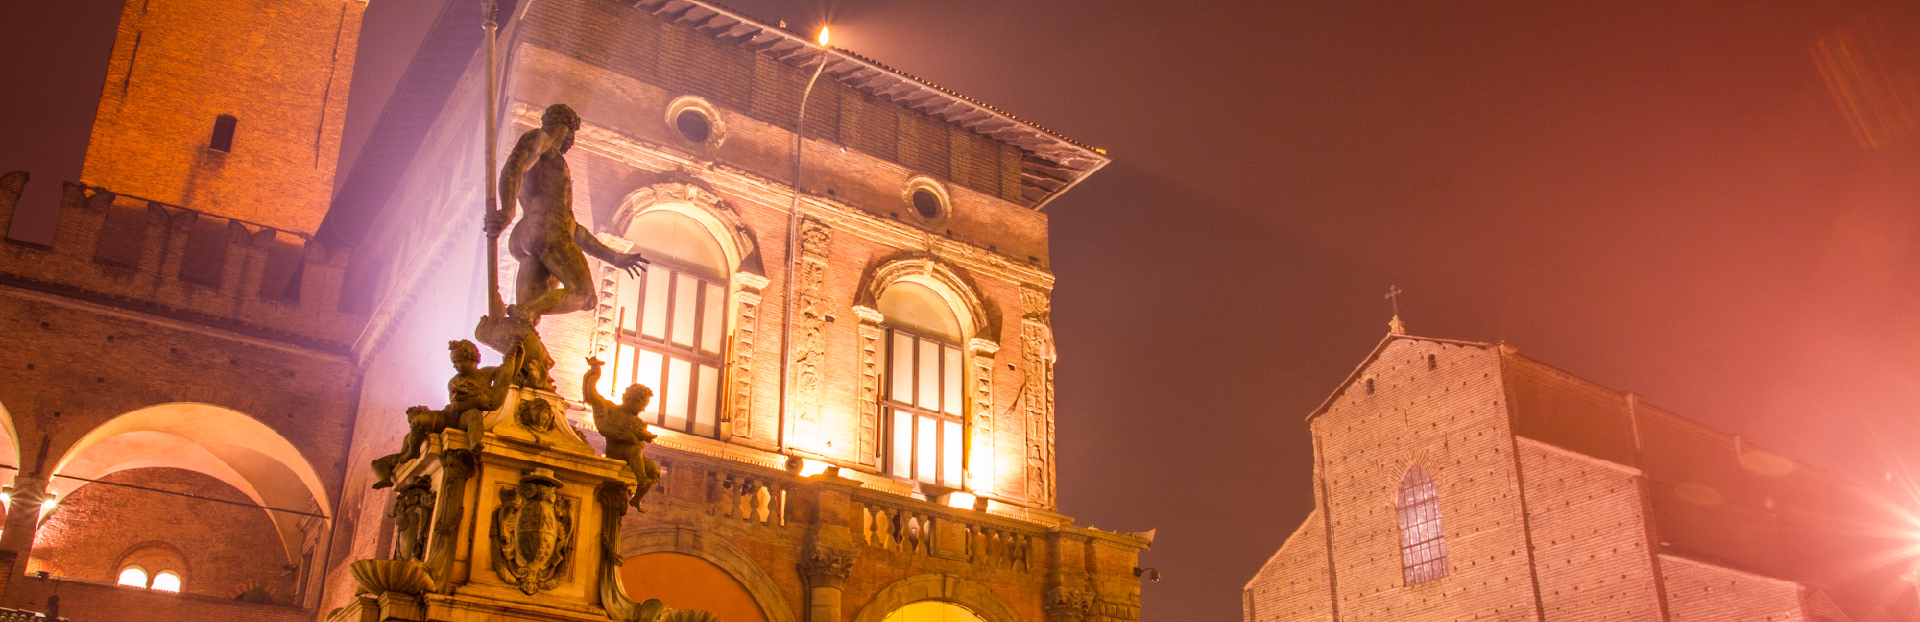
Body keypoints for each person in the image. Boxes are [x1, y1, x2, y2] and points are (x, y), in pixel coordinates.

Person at [486, 103, 648, 323]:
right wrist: (507, 210)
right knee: (586, 296)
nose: (571, 143)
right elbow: (514, 166)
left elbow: (573, 228)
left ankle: (520, 323)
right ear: (567, 129)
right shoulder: (540, 139)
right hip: (549, 232)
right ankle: (525, 312)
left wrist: (614, 257)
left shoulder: (552, 161)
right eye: (572, 136)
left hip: (530, 234)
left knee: (526, 324)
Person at [371, 340, 520, 488]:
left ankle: (475, 442)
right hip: (450, 417)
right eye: (454, 363)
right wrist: (480, 399)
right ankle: (413, 451)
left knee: (474, 416)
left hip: (465, 417)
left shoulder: (487, 372)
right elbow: (457, 405)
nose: (455, 366)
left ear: (471, 359)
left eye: (458, 361)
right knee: (418, 422)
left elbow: (508, 372)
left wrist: (515, 353)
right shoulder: (454, 381)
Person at [582, 356, 660, 510]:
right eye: (642, 404)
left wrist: (640, 438)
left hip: (632, 454)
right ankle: (642, 479)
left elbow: (640, 443)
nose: (643, 409)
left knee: (654, 470)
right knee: (635, 451)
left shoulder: (637, 421)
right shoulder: (610, 408)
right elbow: (592, 395)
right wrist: (594, 373)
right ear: (632, 400)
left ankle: (636, 499)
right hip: (615, 451)